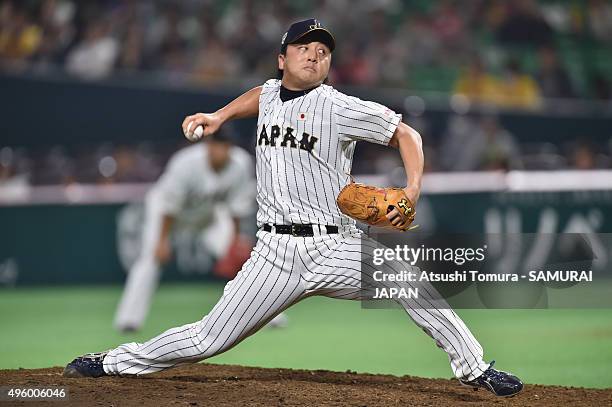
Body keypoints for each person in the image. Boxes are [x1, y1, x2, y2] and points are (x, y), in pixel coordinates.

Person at [63, 18, 523, 398]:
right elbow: (259, 96)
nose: (315, 54)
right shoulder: (267, 94)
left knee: (407, 281)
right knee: (207, 338)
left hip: (334, 246)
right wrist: (220, 116)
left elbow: (407, 134)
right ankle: (112, 362)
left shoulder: (337, 106)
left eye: (323, 50)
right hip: (274, 255)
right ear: (283, 59)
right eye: (304, 47)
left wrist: (413, 189)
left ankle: (474, 368)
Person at [114, 129, 287, 332]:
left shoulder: (240, 164)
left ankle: (271, 315)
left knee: (245, 261)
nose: (218, 150)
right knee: (149, 260)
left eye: (223, 145)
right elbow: (169, 205)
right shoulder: (186, 163)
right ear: (207, 145)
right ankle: (128, 320)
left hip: (208, 215)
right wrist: (162, 242)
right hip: (167, 215)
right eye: (214, 144)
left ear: (230, 148)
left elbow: (237, 208)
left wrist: (234, 241)